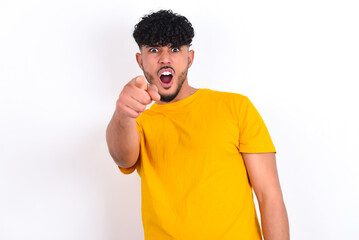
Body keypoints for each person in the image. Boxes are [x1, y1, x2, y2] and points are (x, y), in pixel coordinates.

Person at [106, 9, 289, 240]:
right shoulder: (136, 123)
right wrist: (123, 113)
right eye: (154, 49)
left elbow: (269, 195)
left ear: (189, 58)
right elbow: (123, 157)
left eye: (175, 49)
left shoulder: (236, 107)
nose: (165, 57)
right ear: (140, 60)